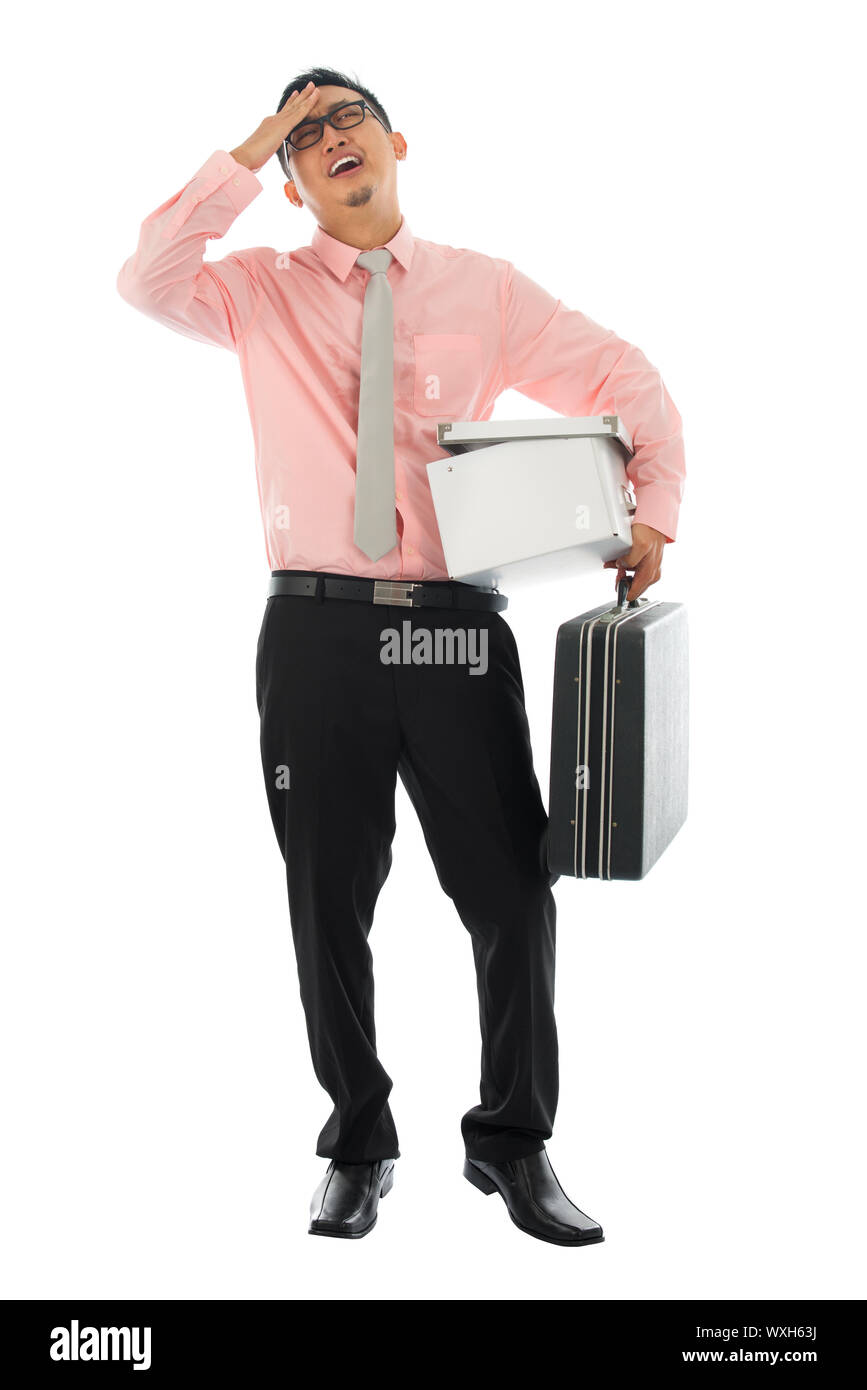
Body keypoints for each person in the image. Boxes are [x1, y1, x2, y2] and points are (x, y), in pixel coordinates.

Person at [116, 65, 685, 1245]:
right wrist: (254, 139)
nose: (331, 138)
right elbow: (146, 276)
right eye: (306, 134)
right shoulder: (257, 292)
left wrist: (656, 508)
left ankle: (515, 1145)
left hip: (453, 628)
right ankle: (358, 1142)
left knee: (513, 889)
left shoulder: (485, 288)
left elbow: (630, 381)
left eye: (349, 119)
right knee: (327, 898)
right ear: (288, 178)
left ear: (397, 145)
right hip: (313, 627)